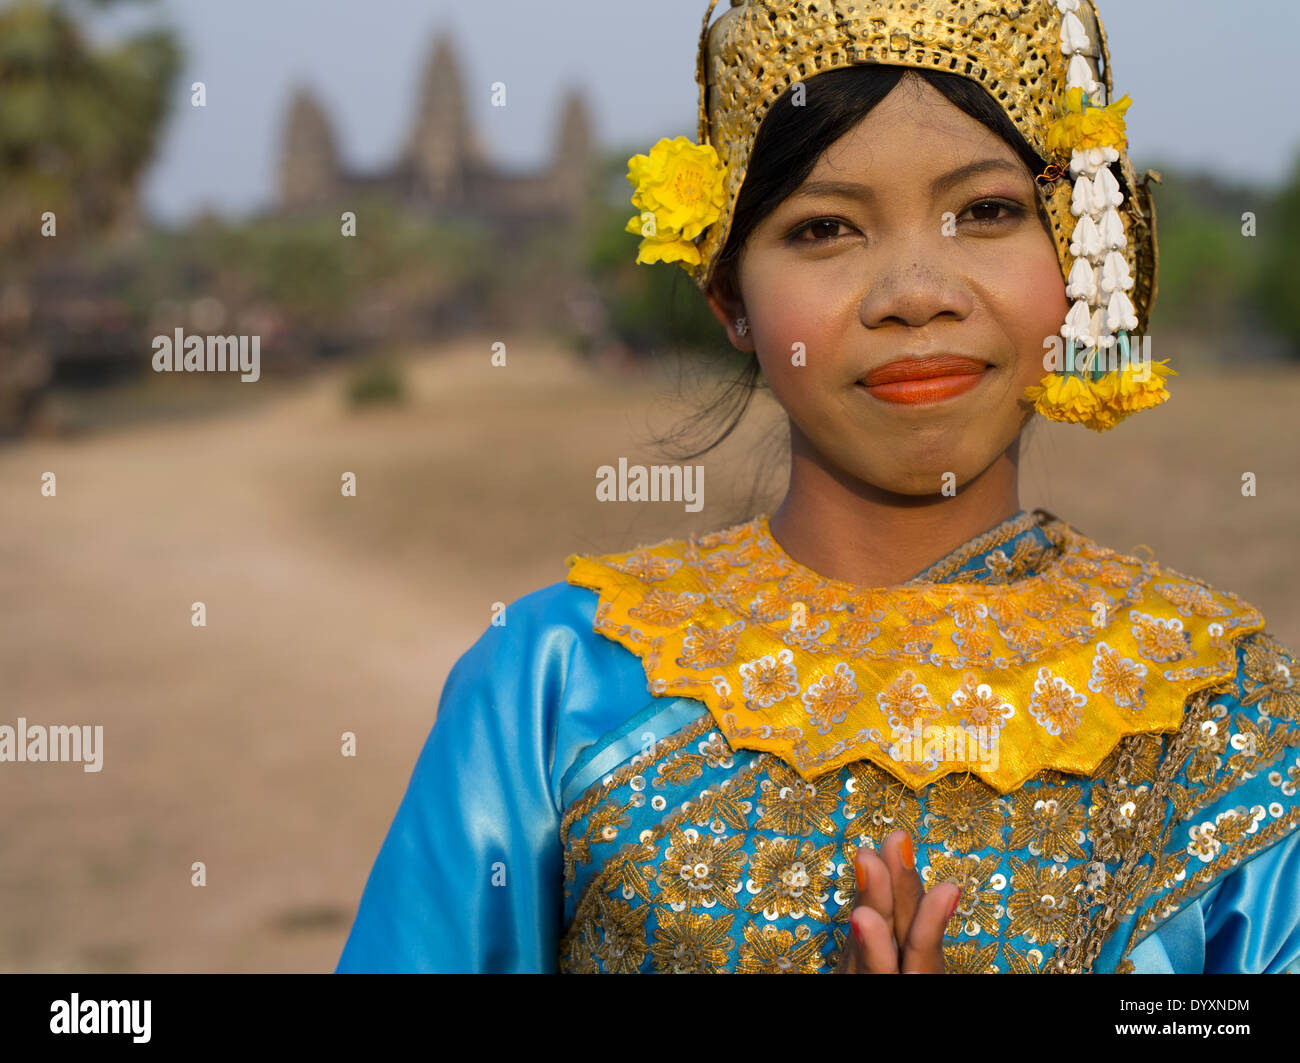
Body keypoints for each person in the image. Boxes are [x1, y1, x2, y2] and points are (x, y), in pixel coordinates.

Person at [336, 0, 1300, 973]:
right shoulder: (554, 688)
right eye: (827, 226)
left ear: (1080, 255)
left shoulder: (1221, 714)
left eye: (988, 212)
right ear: (730, 299)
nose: (916, 291)